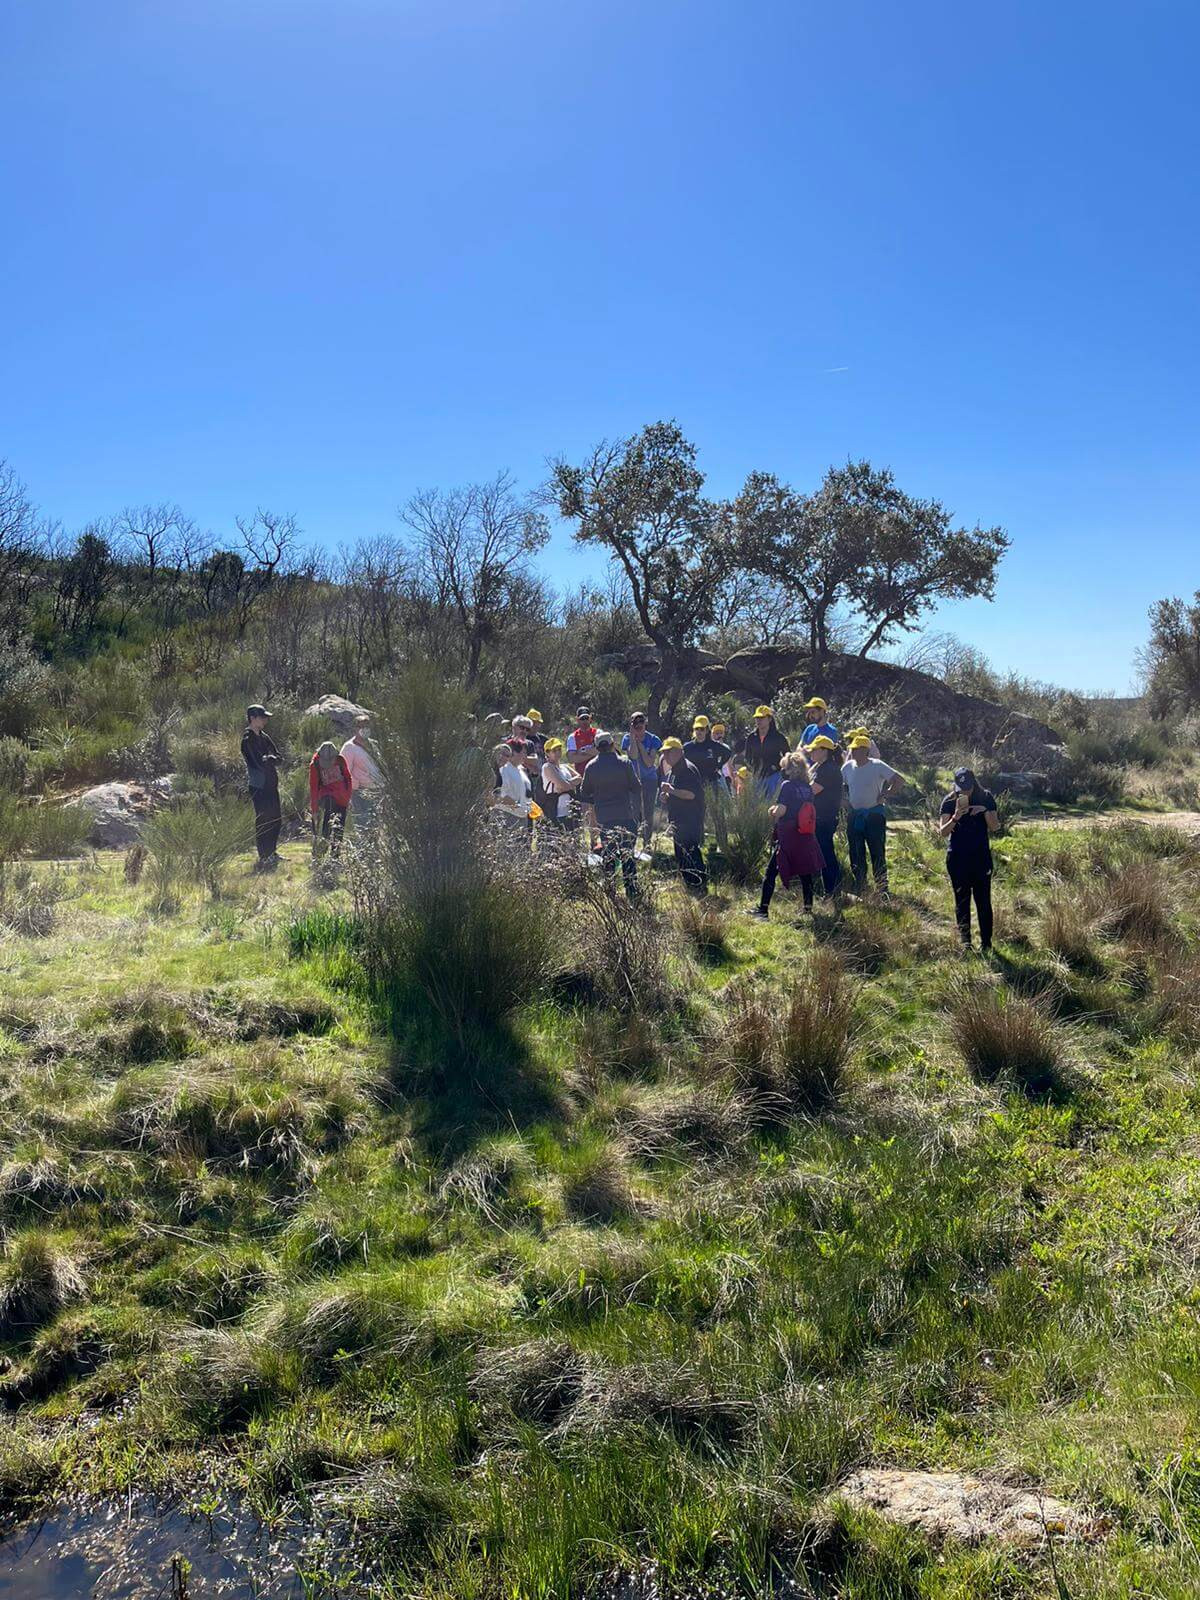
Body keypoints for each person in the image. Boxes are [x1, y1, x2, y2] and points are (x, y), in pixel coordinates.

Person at [749, 751, 825, 918]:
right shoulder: (807, 788)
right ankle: (807, 909)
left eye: (785, 767)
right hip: (804, 834)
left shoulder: (787, 786)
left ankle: (763, 910)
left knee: (771, 871)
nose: (782, 770)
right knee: (805, 872)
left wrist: (773, 811)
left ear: (791, 769)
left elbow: (782, 810)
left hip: (788, 835)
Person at [939, 766, 999, 952]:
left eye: (968, 789)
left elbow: (995, 827)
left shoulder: (986, 797)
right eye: (961, 789)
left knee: (983, 901)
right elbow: (942, 832)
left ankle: (986, 944)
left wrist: (984, 811)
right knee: (962, 900)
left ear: (974, 784)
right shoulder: (949, 802)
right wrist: (956, 817)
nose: (965, 792)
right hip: (957, 858)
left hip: (980, 857)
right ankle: (966, 942)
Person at [578, 731, 642, 897]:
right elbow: (637, 788)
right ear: (613, 744)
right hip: (626, 816)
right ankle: (632, 893)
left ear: (597, 748)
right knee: (627, 856)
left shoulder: (591, 766)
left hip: (605, 819)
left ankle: (610, 892)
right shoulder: (625, 763)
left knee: (609, 856)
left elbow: (585, 793)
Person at [842, 737, 903, 895]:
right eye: (852, 749)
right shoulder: (847, 767)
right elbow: (838, 786)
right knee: (856, 853)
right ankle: (861, 886)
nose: (853, 752)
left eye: (856, 749)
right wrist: (843, 801)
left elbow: (898, 780)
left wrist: (886, 794)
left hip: (874, 815)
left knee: (877, 853)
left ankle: (882, 889)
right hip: (855, 815)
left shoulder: (877, 765)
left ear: (865, 751)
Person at [658, 737, 707, 894]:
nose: (665, 756)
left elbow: (691, 794)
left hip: (690, 818)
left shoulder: (687, 769)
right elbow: (674, 791)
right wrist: (665, 796)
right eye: (664, 753)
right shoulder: (673, 770)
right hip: (679, 819)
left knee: (691, 852)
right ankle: (690, 884)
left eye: (667, 752)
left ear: (678, 752)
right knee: (681, 853)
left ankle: (699, 883)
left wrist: (671, 791)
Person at [241, 704, 282, 871]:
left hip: (271, 784)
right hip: (259, 786)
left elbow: (279, 757)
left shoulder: (265, 737)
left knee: (276, 819)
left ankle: (272, 851)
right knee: (264, 820)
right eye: (262, 717)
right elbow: (257, 762)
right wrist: (269, 759)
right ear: (253, 718)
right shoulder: (247, 740)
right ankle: (264, 855)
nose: (265, 720)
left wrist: (270, 759)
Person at [805, 735, 843, 895]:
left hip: (824, 818)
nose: (811, 753)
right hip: (821, 817)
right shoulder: (822, 767)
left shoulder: (828, 769)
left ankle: (832, 890)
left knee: (825, 853)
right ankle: (830, 889)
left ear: (824, 751)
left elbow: (812, 790)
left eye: (814, 749)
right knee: (823, 852)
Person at [621, 712, 663, 852]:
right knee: (634, 812)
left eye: (641, 722)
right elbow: (632, 755)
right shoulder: (627, 739)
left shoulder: (654, 739)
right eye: (635, 723)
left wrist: (640, 743)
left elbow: (649, 762)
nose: (639, 725)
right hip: (633, 780)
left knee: (648, 812)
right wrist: (633, 739)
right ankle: (631, 843)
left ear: (645, 723)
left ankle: (647, 843)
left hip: (649, 780)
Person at [309, 740, 353, 860]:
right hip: (326, 797)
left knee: (339, 827)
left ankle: (335, 857)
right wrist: (314, 810)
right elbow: (313, 788)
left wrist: (347, 797)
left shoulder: (340, 760)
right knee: (326, 823)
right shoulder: (315, 764)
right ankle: (320, 853)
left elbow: (348, 779)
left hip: (342, 799)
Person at [739, 705, 789, 796]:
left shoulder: (778, 737)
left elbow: (788, 755)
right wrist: (753, 770)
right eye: (757, 718)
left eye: (762, 717)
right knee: (758, 806)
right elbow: (747, 757)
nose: (758, 720)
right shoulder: (751, 738)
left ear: (769, 719)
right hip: (757, 778)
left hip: (775, 776)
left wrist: (782, 772)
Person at [341, 715, 381, 826]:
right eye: (361, 726)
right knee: (362, 823)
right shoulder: (349, 747)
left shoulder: (374, 744)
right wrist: (356, 785)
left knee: (375, 823)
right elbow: (343, 770)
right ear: (355, 729)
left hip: (377, 790)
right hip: (360, 793)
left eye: (367, 726)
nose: (365, 729)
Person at [491, 741, 533, 835]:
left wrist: (529, 807)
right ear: (515, 753)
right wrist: (516, 806)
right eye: (523, 752)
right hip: (507, 816)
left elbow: (525, 793)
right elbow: (499, 794)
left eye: (507, 755)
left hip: (522, 817)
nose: (525, 756)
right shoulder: (504, 769)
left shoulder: (521, 771)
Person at [541, 737, 582, 828]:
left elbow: (579, 778)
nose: (557, 753)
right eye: (554, 751)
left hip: (571, 810)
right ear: (547, 753)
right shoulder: (547, 767)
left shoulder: (565, 767)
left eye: (559, 750)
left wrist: (566, 784)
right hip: (556, 812)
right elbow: (562, 785)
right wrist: (568, 785)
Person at [683, 715, 732, 789]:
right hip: (694, 783)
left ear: (706, 730)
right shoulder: (687, 747)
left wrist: (719, 765)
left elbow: (727, 752)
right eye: (697, 729)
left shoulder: (713, 746)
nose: (699, 732)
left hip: (711, 782)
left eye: (702, 729)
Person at [567, 706, 598, 773]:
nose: (585, 721)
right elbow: (572, 758)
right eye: (582, 718)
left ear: (590, 718)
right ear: (577, 719)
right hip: (582, 775)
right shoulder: (572, 737)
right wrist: (593, 753)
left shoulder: (598, 733)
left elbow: (604, 751)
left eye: (586, 718)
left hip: (598, 773)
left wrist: (583, 751)